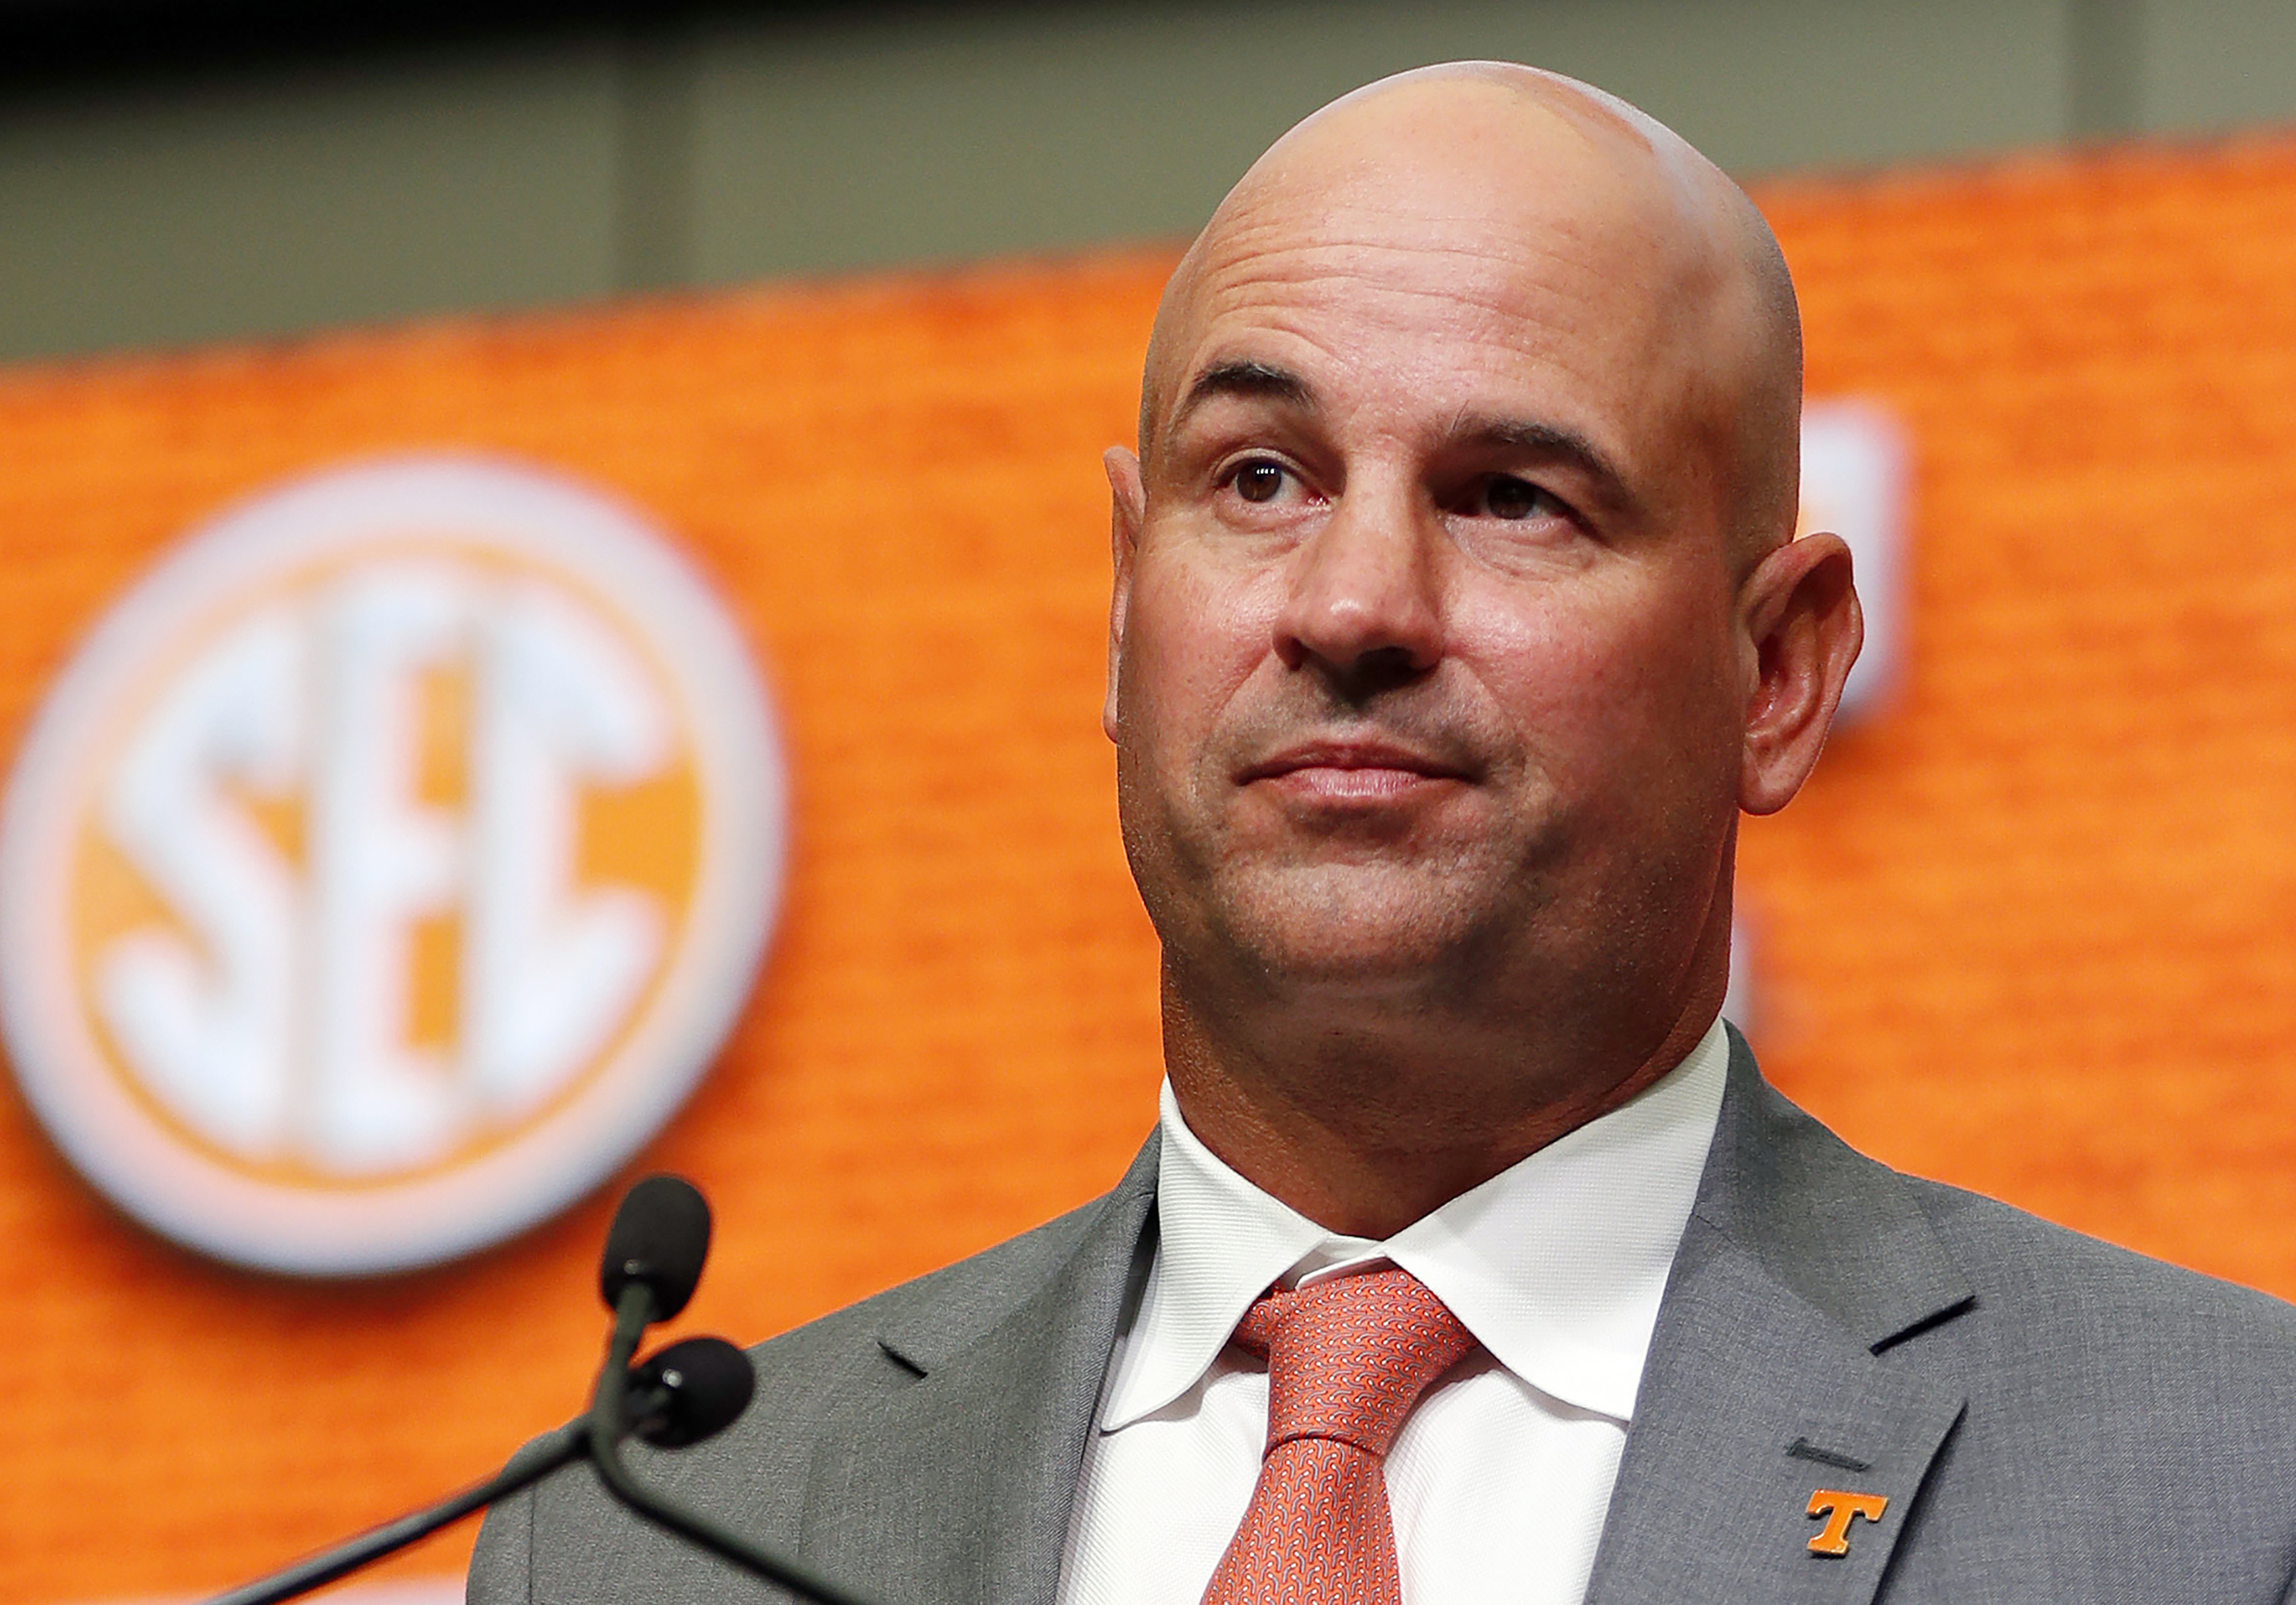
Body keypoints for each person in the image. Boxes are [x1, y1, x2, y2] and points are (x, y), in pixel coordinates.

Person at [471, 63, 2296, 1605]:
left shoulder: (2230, 1484)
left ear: (1778, 670)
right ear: (1123, 605)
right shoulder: (648, 1538)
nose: (1353, 604)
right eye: (1259, 478)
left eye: (1513, 497)